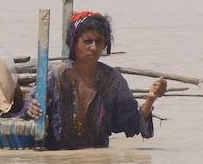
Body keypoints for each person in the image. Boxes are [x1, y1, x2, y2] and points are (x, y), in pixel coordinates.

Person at [23, 10, 165, 149]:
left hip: (97, 163)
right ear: (74, 44)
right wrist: (31, 109)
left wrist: (151, 98)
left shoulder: (113, 81)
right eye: (87, 41)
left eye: (99, 41)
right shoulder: (54, 76)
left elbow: (133, 123)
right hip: (59, 159)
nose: (94, 47)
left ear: (105, 44)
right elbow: (27, 108)